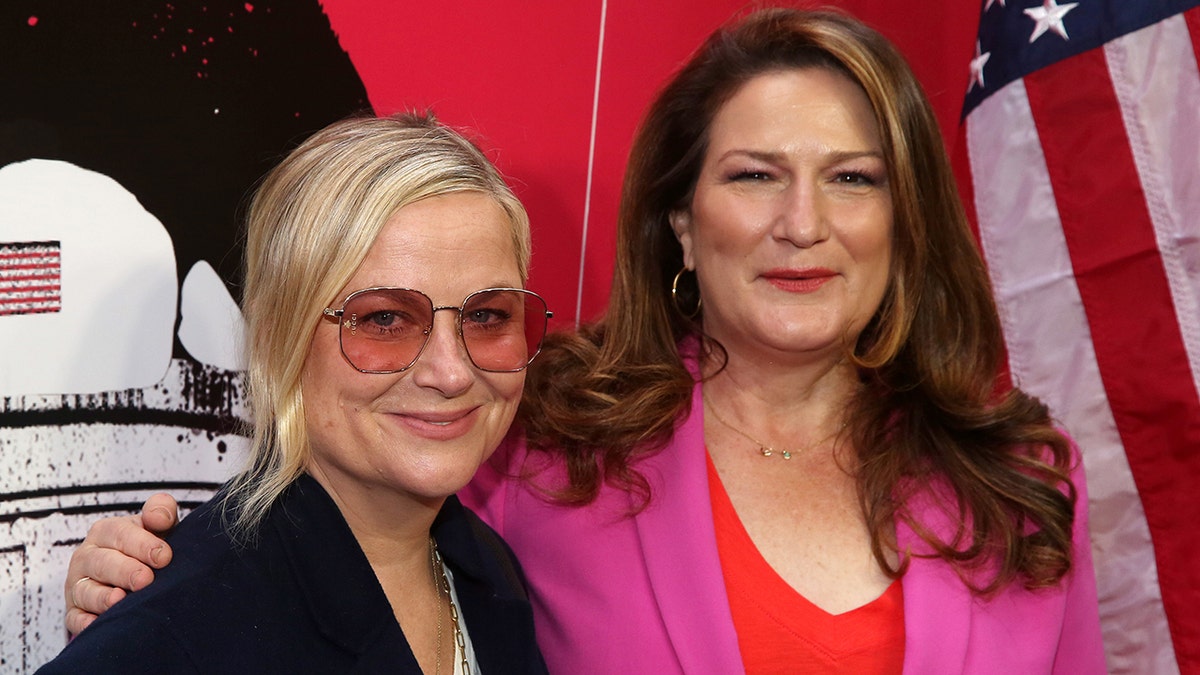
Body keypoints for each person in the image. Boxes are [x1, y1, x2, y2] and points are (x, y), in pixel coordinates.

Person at [62, 7, 1106, 673]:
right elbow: (329, 533)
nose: (804, 222)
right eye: (754, 174)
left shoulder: (1025, 485)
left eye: (854, 177)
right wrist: (142, 589)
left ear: (908, 217)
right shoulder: (546, 440)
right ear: (682, 220)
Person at [42, 113, 550, 674]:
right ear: (281, 336)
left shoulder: (488, 570)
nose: (452, 373)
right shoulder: (173, 633)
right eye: (384, 319)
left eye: (486, 315)